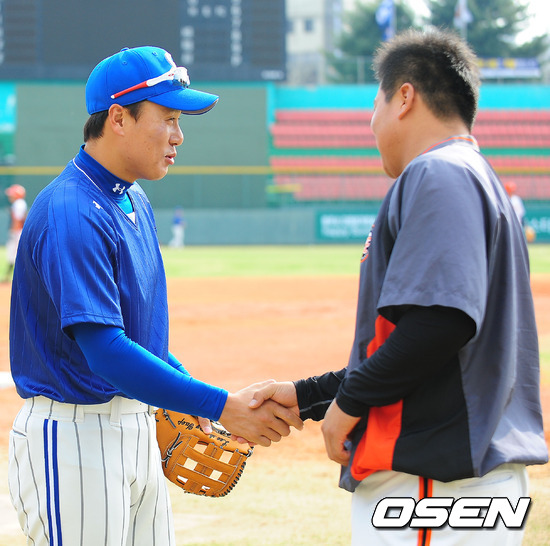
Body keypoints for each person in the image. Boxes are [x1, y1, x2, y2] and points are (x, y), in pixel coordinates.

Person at [249, 29, 548, 545]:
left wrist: (346, 407)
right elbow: (417, 346)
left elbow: (441, 322)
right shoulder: (470, 175)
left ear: (404, 97)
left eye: (376, 105)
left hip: (432, 487)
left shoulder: (440, 172)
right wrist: (307, 397)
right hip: (453, 481)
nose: (372, 123)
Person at [8, 46, 302, 546]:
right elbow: (105, 351)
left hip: (136, 428)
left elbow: (141, 339)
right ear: (119, 118)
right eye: (167, 118)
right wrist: (220, 405)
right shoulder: (71, 210)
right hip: (75, 437)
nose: (178, 136)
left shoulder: (133, 198)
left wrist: (190, 394)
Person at [3, 183, 27, 282]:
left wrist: (14, 231)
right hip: (18, 231)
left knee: (14, 253)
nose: (10, 196)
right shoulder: (19, 203)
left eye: (12, 194)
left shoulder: (18, 204)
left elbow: (18, 219)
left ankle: (13, 276)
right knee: (13, 253)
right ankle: (9, 275)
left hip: (17, 232)